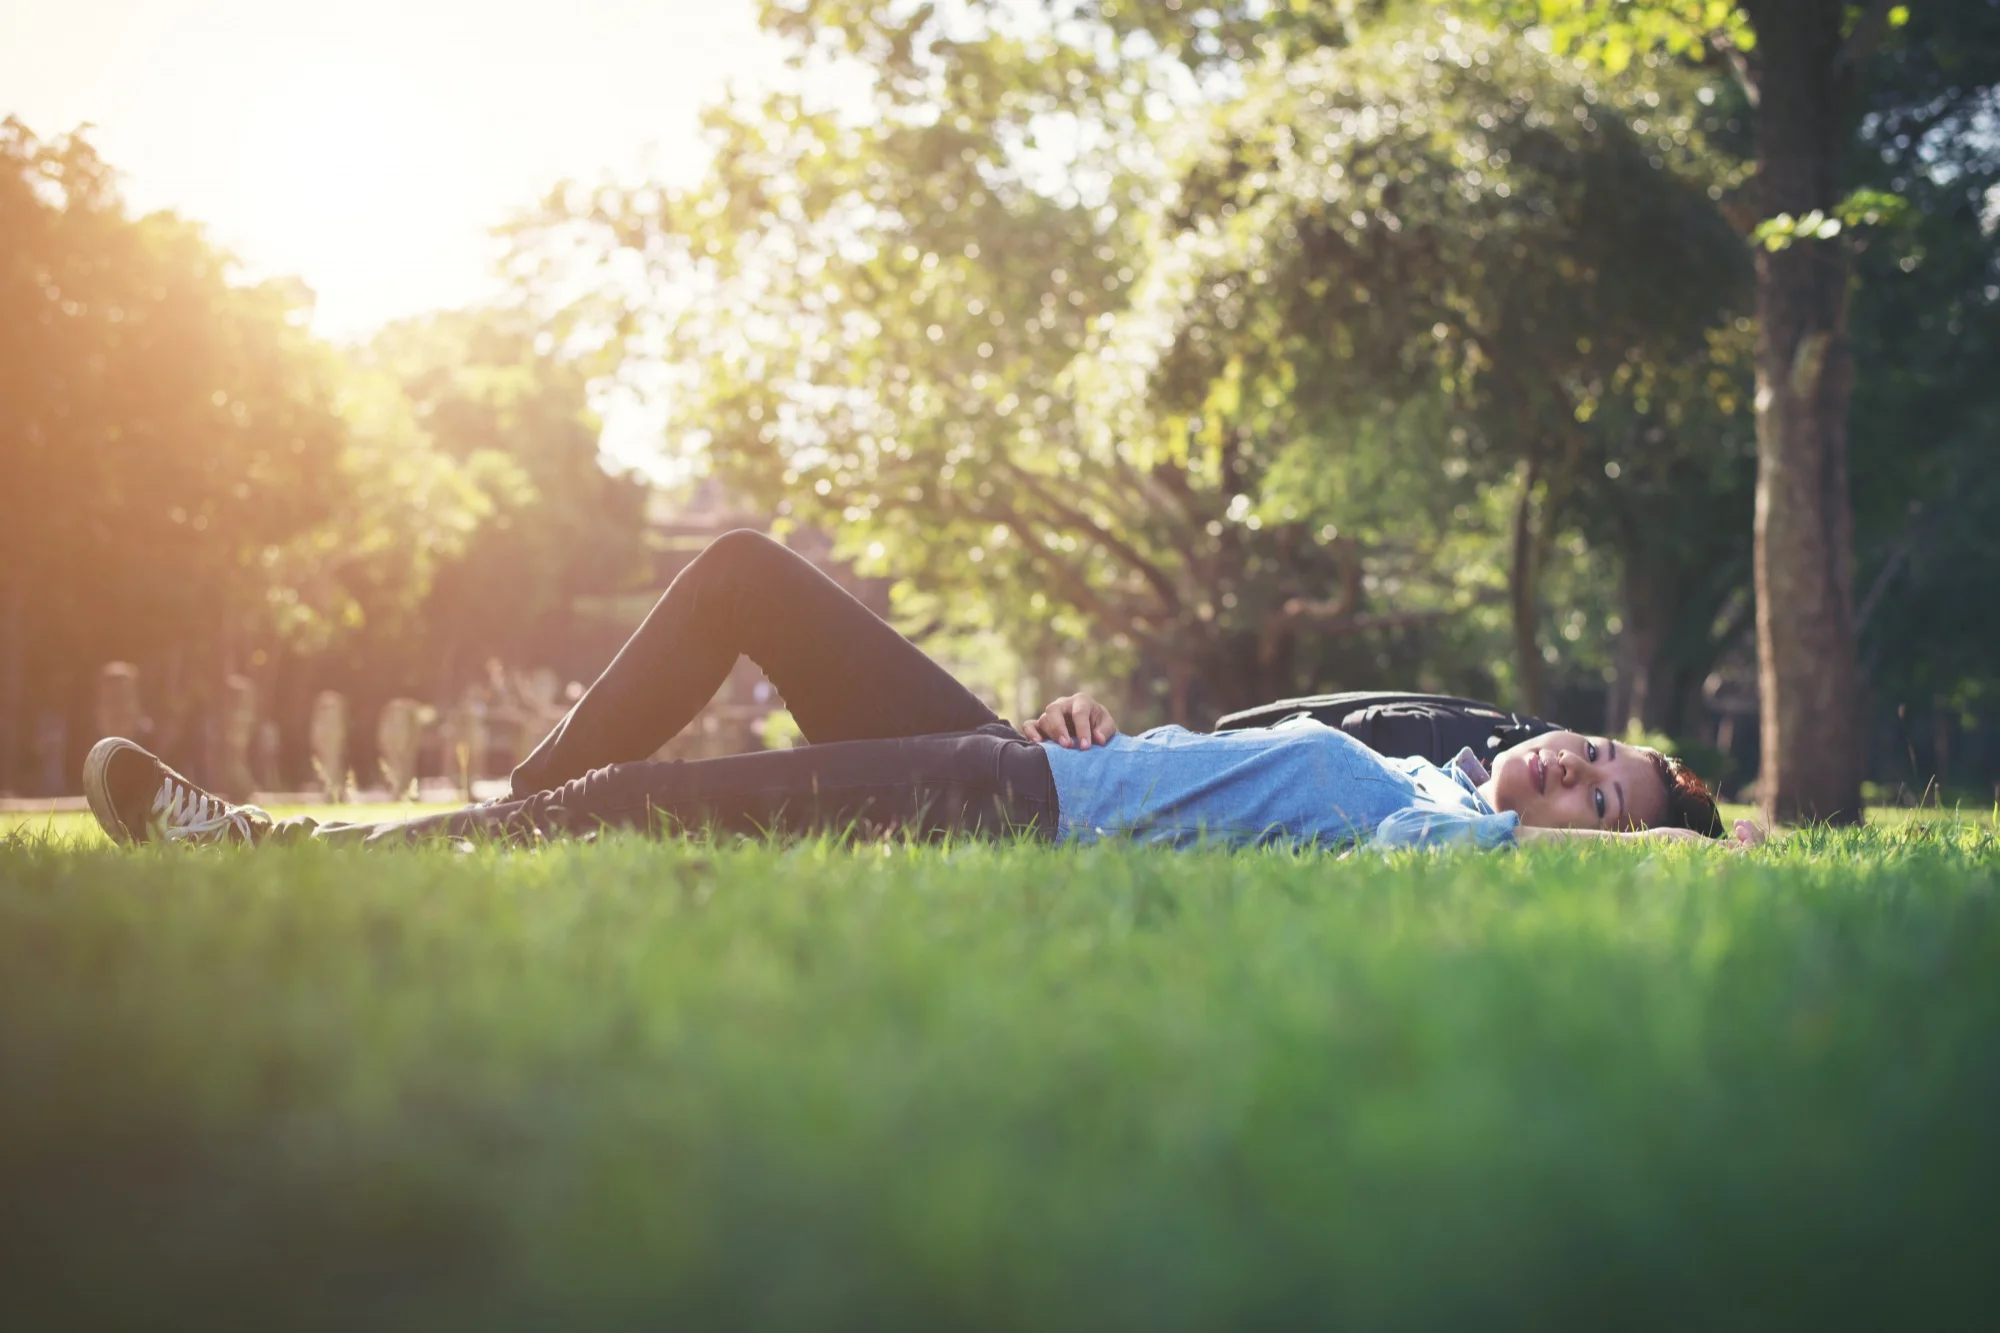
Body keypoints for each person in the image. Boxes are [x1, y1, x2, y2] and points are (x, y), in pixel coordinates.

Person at [81, 529, 1764, 853]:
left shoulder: (1446, 860)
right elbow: (1228, 770)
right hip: (1024, 759)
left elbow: (1554, 871)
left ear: (1590, 856)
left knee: (636, 814)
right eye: (1603, 750)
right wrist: (1092, 726)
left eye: (1604, 800)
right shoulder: (1431, 769)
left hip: (1005, 810)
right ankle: (486, 818)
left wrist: (1692, 856)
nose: (1578, 764)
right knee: (743, 570)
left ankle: (276, 848)